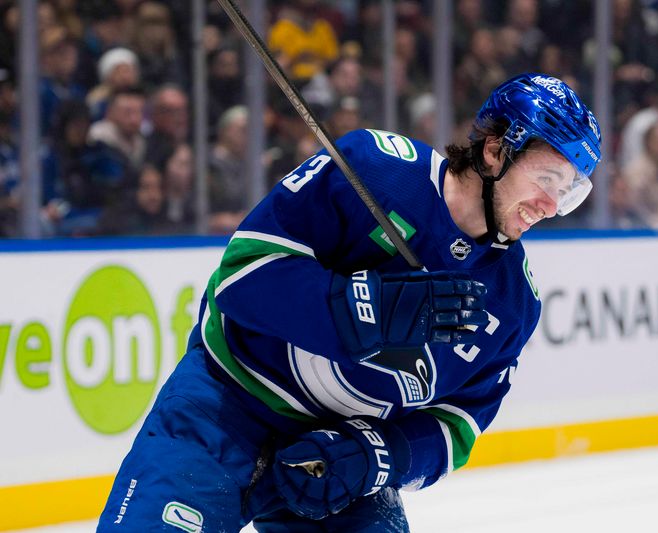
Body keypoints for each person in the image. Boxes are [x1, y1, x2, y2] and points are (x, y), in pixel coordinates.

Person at [97, 73, 602, 532]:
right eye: (546, 181)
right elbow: (242, 279)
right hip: (224, 406)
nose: (552, 206)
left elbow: (458, 424)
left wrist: (376, 457)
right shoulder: (377, 173)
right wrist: (373, 313)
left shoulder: (513, 302)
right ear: (494, 151)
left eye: (569, 191)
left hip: (337, 456)